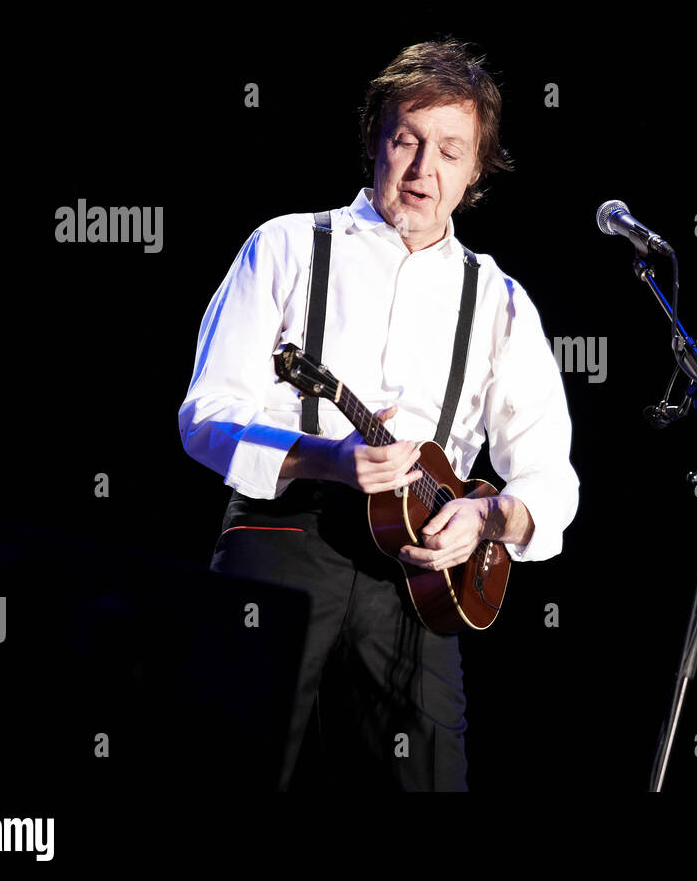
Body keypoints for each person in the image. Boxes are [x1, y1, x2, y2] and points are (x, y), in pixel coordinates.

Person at [177, 39, 578, 791]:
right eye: (408, 140)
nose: (425, 169)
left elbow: (550, 480)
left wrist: (488, 521)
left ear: (477, 170)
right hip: (284, 534)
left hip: (418, 577)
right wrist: (323, 457)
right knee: (228, 763)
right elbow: (206, 417)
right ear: (375, 140)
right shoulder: (287, 245)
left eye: (451, 151)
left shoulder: (499, 299)